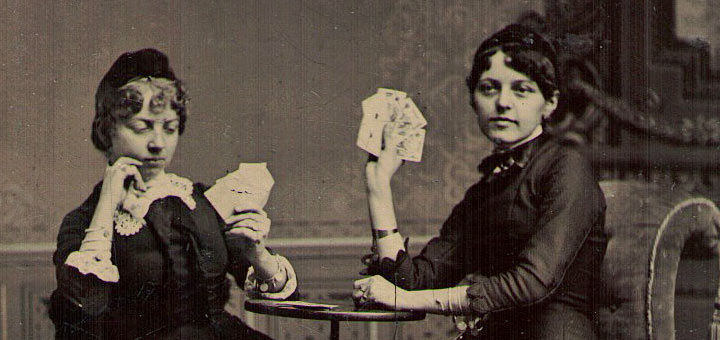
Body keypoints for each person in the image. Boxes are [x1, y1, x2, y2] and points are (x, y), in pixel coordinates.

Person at [352, 24, 607, 339]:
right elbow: (415, 280)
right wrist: (378, 187)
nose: (502, 102)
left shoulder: (567, 167)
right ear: (473, 100)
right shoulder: (485, 191)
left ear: (550, 102)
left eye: (522, 89)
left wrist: (404, 299)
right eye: (489, 88)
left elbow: (534, 282)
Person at [49, 48, 297, 340]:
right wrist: (107, 205)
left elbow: (284, 297)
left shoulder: (203, 201)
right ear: (108, 131)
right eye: (142, 128)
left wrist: (259, 255)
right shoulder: (83, 222)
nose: (158, 144)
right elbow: (84, 307)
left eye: (169, 128)